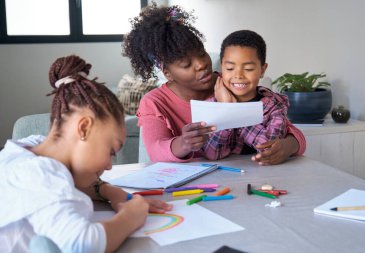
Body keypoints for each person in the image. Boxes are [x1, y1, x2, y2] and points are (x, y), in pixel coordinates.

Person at [0, 55, 172, 253]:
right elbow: (82, 244)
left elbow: (71, 183)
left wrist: (112, 192)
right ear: (83, 128)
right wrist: (130, 218)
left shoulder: (29, 149)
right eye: (111, 151)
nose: (108, 166)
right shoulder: (42, 174)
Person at [122, 3, 305, 165]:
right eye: (186, 64)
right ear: (168, 73)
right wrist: (184, 143)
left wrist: (287, 146)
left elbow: (292, 133)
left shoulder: (231, 82)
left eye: (202, 53)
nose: (201, 64)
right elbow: (155, 150)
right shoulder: (155, 102)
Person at [202, 30, 290, 160]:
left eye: (248, 69)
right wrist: (225, 109)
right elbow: (212, 153)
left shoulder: (274, 106)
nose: (238, 75)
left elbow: (268, 149)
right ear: (221, 68)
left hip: (265, 175)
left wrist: (233, 112)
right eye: (230, 68)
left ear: (262, 70)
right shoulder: (212, 105)